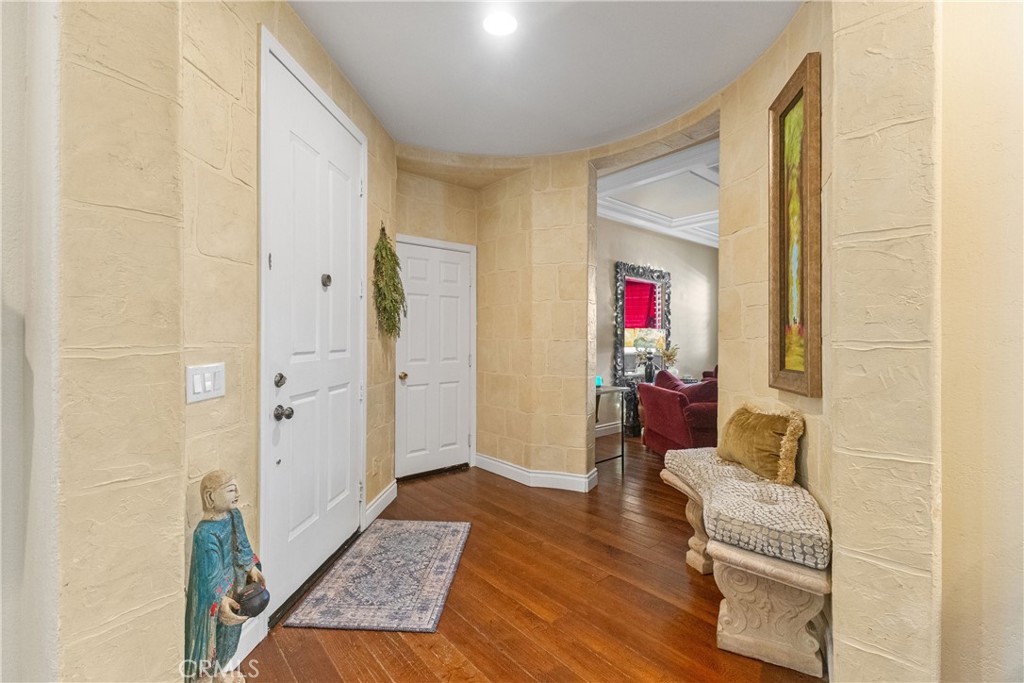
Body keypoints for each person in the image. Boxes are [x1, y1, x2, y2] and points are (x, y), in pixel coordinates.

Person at [184, 471, 265, 682]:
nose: (237, 492)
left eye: (236, 487)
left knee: (228, 638)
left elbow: (242, 547)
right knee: (211, 640)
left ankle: (219, 674)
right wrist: (220, 600)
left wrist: (251, 567)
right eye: (230, 489)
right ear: (210, 497)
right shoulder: (204, 533)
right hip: (215, 596)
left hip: (234, 586)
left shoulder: (234, 516)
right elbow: (208, 576)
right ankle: (205, 679)